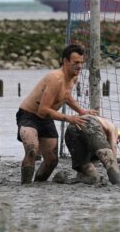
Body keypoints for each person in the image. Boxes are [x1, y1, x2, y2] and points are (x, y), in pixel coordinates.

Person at [16, 43, 94, 184]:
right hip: (29, 115)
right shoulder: (56, 79)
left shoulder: (73, 78)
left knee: (52, 161)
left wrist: (82, 111)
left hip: (46, 120)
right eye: (75, 62)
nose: (79, 66)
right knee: (32, 149)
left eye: (81, 63)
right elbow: (43, 110)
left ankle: (39, 183)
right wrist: (69, 118)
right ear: (65, 61)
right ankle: (25, 186)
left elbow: (66, 96)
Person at [63, 114, 120, 185]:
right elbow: (114, 147)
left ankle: (68, 177)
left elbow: (92, 156)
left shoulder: (101, 131)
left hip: (71, 129)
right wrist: (114, 165)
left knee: (94, 178)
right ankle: (118, 183)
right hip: (88, 122)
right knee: (108, 157)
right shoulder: (114, 128)